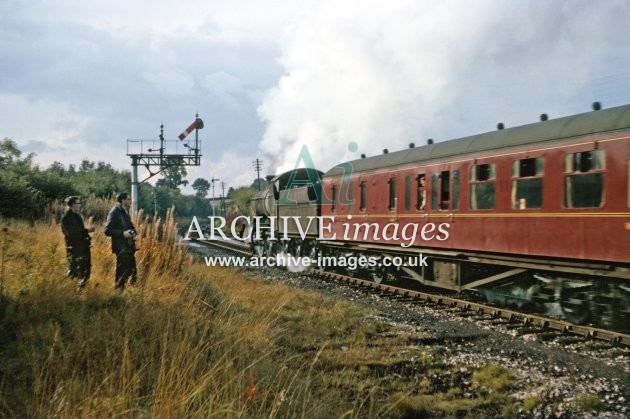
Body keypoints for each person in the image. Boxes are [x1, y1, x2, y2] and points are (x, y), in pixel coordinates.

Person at [104, 192, 137, 290]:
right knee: (122, 273)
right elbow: (107, 230)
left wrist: (133, 231)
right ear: (123, 200)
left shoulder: (125, 211)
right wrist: (122, 233)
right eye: (128, 199)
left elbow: (130, 227)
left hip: (129, 248)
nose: (131, 201)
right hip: (121, 248)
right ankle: (119, 294)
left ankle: (129, 295)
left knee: (132, 272)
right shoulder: (115, 211)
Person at [61, 196, 94, 288]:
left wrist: (87, 235)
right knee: (74, 269)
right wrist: (87, 231)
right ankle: (66, 288)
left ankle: (81, 289)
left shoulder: (77, 216)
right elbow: (71, 233)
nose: (80, 205)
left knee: (86, 268)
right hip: (74, 247)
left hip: (83, 246)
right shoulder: (66, 218)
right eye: (77, 203)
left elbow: (80, 230)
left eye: (80, 203)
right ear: (72, 205)